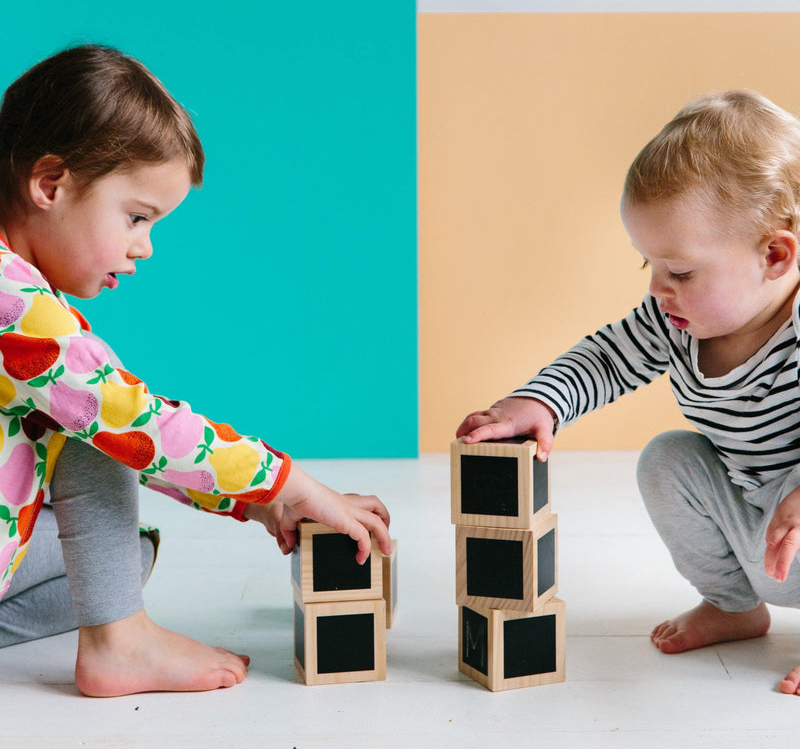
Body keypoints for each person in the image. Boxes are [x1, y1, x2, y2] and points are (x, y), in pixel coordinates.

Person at [0, 44, 391, 697]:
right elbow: (132, 421)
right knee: (100, 421)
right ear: (49, 184)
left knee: (124, 555)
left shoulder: (27, 289)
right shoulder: (12, 302)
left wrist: (259, 506)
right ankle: (118, 643)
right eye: (136, 217)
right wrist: (281, 486)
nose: (144, 246)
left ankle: (114, 624)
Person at [457, 89, 800, 696]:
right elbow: (607, 357)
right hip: (763, 534)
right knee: (667, 458)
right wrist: (541, 401)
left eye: (682, 272)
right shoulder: (676, 320)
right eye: (649, 266)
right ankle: (733, 605)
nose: (660, 290)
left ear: (774, 254)